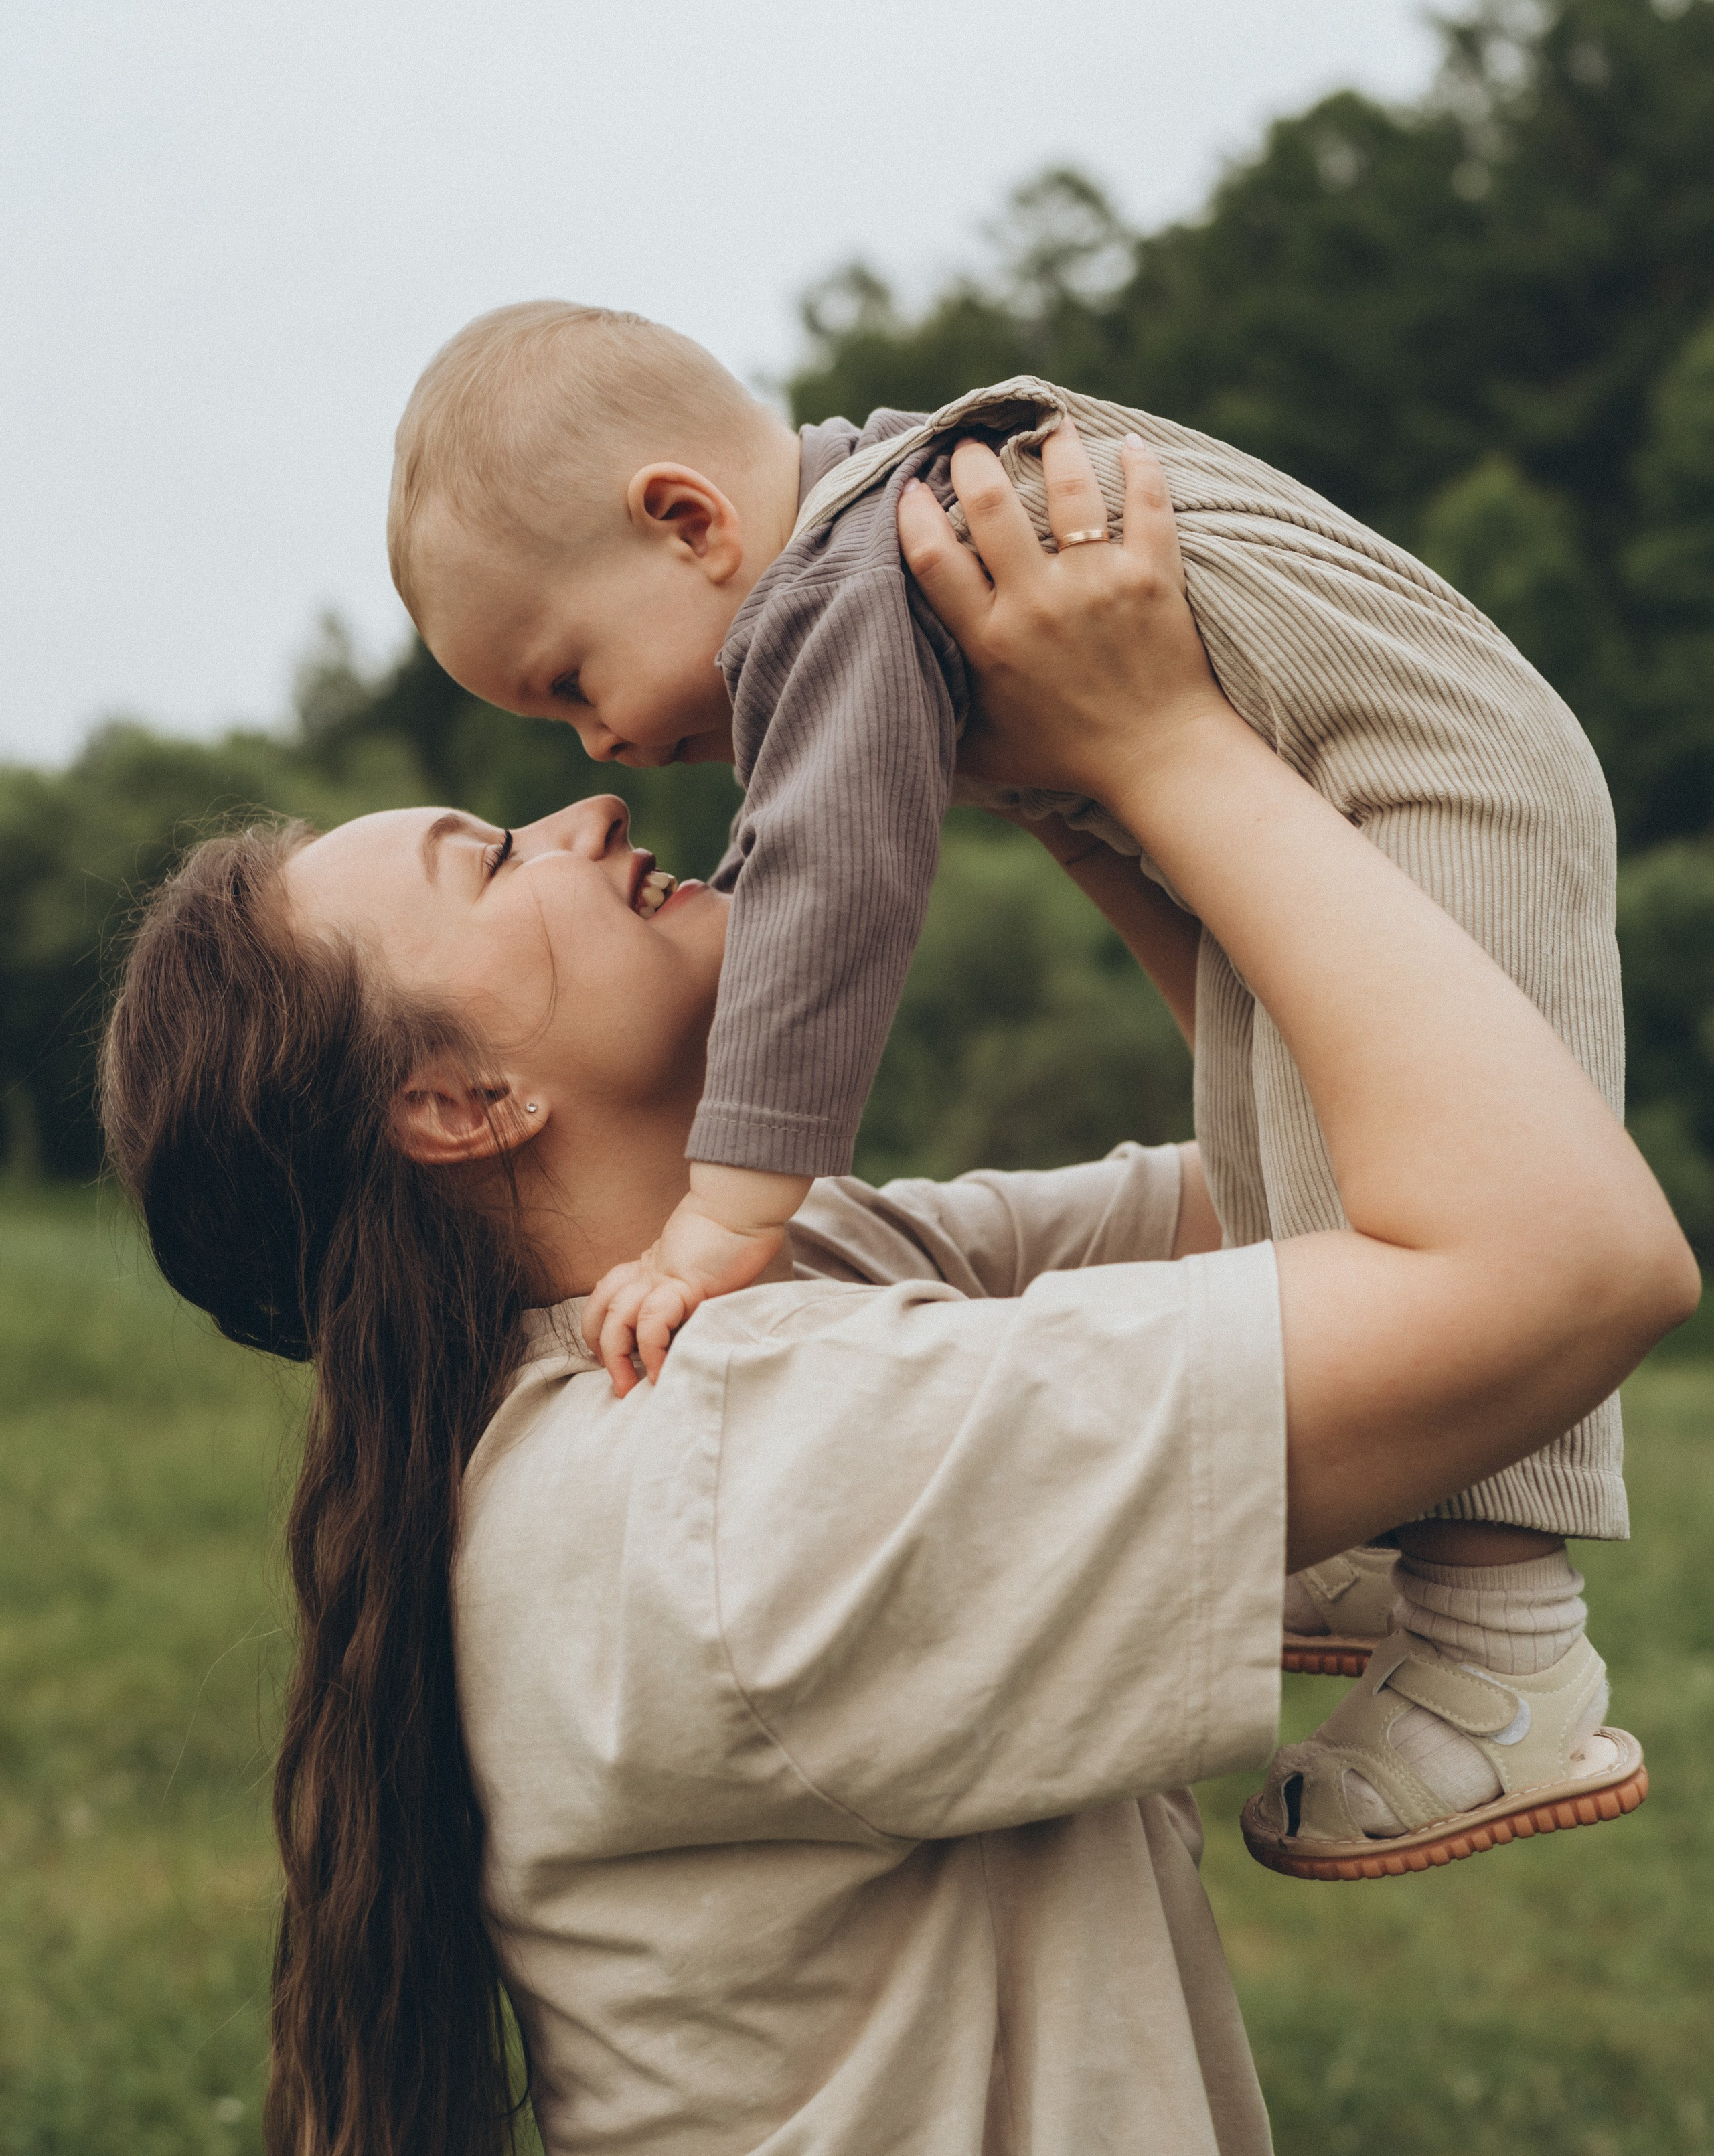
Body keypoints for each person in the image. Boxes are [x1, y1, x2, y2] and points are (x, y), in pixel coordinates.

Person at [101, 431, 1693, 2156]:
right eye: (493, 857)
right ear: (461, 1106)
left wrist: (1072, 798)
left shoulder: (797, 1289)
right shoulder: (729, 1472)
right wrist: (1164, 743)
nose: (587, 806)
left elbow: (1330, 1172)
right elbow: (1558, 1254)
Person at [385, 299, 1634, 1861]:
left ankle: (1500, 1649)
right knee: (1270, 1123)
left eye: (571, 678)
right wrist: (1103, 789)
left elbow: (820, 889)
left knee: (1394, 1175)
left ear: (687, 521)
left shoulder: (831, 588)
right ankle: (1371, 1498)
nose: (600, 753)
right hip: (1382, 762)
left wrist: (727, 1215)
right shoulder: (893, 539)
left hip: (1433, 777)